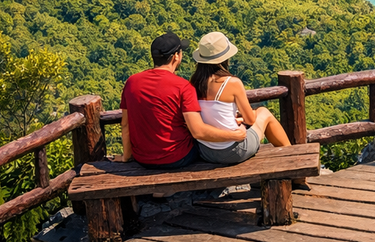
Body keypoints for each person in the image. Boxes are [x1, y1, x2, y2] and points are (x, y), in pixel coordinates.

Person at [120, 32, 248, 169]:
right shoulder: (183, 87)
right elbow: (198, 132)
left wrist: (127, 157)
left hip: (143, 159)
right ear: (176, 56)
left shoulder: (132, 82)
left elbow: (125, 125)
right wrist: (235, 135)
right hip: (178, 157)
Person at [189, 31, 292, 164]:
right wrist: (241, 120)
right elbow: (250, 119)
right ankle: (292, 159)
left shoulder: (193, 83)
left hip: (206, 151)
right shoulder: (231, 83)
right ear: (225, 59)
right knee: (263, 113)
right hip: (234, 151)